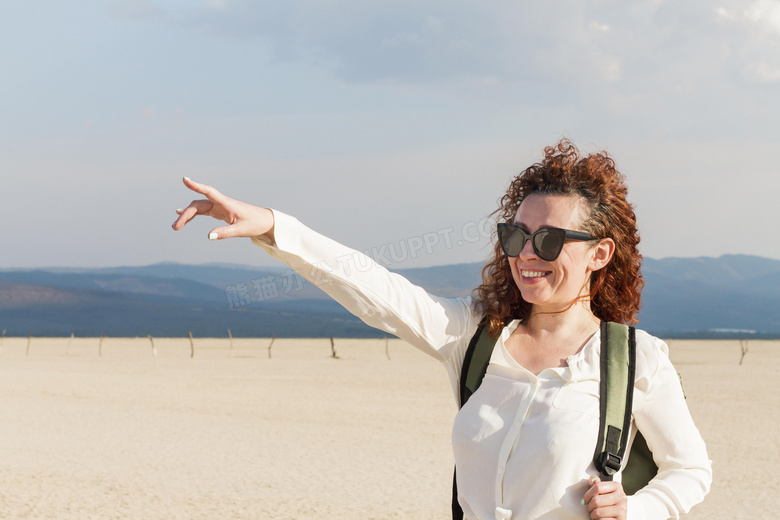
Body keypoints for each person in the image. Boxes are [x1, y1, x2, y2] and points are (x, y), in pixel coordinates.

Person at [171, 139, 711, 520]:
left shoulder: (634, 360)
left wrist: (638, 509)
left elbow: (690, 469)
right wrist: (273, 227)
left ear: (599, 253)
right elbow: (377, 292)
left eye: (548, 241)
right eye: (515, 235)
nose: (526, 254)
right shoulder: (476, 336)